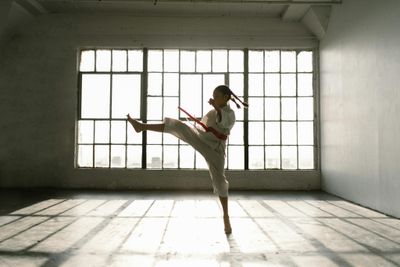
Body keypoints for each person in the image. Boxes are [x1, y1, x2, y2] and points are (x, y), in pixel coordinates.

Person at [127, 85, 248, 234]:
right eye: (214, 96)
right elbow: (205, 126)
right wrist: (210, 114)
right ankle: (142, 126)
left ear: (225, 97)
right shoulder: (212, 111)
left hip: (216, 148)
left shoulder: (230, 113)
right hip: (203, 139)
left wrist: (217, 109)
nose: (214, 98)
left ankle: (226, 216)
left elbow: (224, 123)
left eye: (217, 96)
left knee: (220, 181)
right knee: (179, 126)